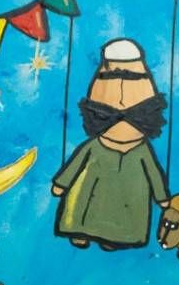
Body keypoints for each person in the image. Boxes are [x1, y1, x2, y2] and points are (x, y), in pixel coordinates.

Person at [51, 39, 170, 250]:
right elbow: (76, 163)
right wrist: (62, 183)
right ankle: (78, 231)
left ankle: (115, 237)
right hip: (90, 186)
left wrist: (162, 197)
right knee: (82, 205)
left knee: (124, 215)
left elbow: (154, 174)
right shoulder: (94, 146)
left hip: (129, 196)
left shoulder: (141, 151)